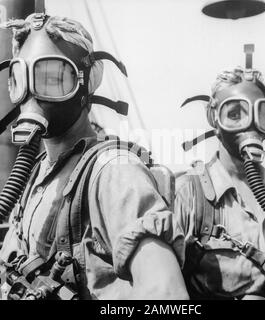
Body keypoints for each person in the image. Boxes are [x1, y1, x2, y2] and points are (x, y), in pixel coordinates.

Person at [0, 13, 188, 300]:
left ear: (87, 81)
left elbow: (167, 296)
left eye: (52, 78)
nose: (32, 95)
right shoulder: (34, 178)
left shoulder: (114, 172)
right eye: (20, 78)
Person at [175, 67, 265, 300]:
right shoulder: (189, 195)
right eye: (234, 114)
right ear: (214, 119)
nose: (248, 124)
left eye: (260, 114)